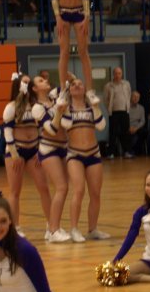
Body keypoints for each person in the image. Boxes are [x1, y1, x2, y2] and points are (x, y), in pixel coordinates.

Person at [47, 75, 109, 242]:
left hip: (93, 153)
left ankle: (93, 229)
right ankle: (74, 229)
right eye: (73, 84)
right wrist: (62, 108)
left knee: (95, 193)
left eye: (80, 84)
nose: (77, 86)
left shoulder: (91, 107)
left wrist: (95, 106)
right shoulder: (66, 108)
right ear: (69, 90)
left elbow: (101, 125)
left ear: (85, 89)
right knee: (79, 190)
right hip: (75, 154)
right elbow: (66, 125)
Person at [2, 73, 52, 236]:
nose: (27, 85)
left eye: (29, 83)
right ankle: (15, 228)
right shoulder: (11, 107)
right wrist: (14, 154)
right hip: (16, 152)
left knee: (44, 188)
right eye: (24, 82)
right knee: (15, 191)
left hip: (34, 151)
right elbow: (7, 131)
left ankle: (51, 226)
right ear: (17, 86)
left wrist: (40, 149)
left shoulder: (36, 106)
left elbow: (42, 129)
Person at [47, 0, 94, 94]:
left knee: (83, 51)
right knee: (64, 52)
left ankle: (90, 90)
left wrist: (87, 17)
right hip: (63, 14)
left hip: (80, 13)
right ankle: (62, 89)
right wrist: (58, 17)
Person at [32, 76, 70, 242]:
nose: (45, 81)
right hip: (48, 148)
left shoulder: (54, 97)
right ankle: (54, 230)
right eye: (40, 81)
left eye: (45, 79)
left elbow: (67, 84)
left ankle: (53, 227)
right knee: (61, 187)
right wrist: (59, 111)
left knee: (63, 189)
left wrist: (68, 77)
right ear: (34, 89)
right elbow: (52, 129)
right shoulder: (37, 108)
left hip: (63, 147)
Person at [103, 67, 133, 159]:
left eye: (119, 73)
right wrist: (109, 108)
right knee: (113, 133)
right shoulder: (108, 86)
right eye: (116, 73)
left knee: (125, 132)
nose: (117, 75)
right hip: (114, 112)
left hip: (125, 111)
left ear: (122, 74)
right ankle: (111, 153)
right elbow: (105, 99)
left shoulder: (126, 84)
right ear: (113, 74)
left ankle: (127, 152)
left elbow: (129, 94)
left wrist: (127, 106)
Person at [127, 90, 147, 156]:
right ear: (131, 97)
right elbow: (124, 120)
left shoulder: (141, 108)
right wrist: (129, 127)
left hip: (137, 127)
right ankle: (130, 151)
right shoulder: (126, 107)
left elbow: (142, 121)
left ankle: (135, 150)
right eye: (134, 96)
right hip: (128, 127)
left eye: (137, 97)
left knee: (144, 132)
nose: (136, 98)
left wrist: (136, 128)